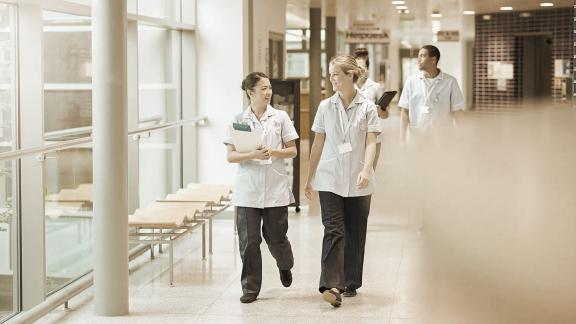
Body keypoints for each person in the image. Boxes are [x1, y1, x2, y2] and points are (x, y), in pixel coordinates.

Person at [304, 55, 381, 307]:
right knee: (334, 229)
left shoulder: (367, 107)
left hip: (359, 178)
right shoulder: (325, 106)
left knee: (355, 232)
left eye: (335, 74)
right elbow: (318, 143)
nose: (331, 79)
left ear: (350, 75)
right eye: (330, 74)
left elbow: (372, 141)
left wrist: (367, 169)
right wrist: (309, 178)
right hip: (330, 178)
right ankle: (332, 284)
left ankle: (350, 282)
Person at [223, 72, 299, 304]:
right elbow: (231, 156)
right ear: (250, 92)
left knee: (276, 238)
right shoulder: (239, 120)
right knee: (249, 241)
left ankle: (285, 265)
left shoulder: (280, 117)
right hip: (248, 190)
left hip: (275, 188)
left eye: (269, 88)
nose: (268, 92)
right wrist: (253, 154)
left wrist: (273, 152)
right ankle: (250, 288)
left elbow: (293, 150)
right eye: (263, 88)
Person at [398, 44, 465, 141]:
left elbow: (458, 112)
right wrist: (401, 140)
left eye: (422, 56)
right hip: (416, 137)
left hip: (442, 138)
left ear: (433, 60)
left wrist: (462, 138)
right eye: (418, 56)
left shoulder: (450, 82)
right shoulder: (411, 81)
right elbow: (404, 111)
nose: (418, 60)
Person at [353, 47, 388, 169]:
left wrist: (379, 110)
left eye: (362, 67)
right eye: (357, 68)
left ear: (367, 69)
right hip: (353, 135)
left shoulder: (375, 87)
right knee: (353, 171)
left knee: (370, 170)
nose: (360, 71)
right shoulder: (348, 86)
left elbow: (385, 114)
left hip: (373, 135)